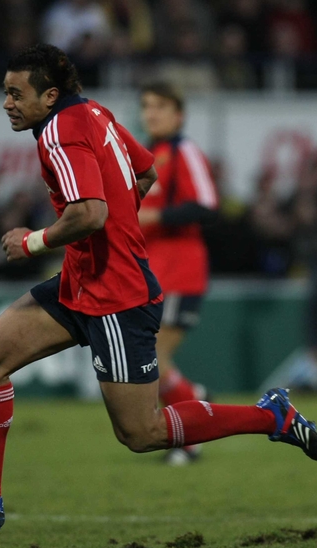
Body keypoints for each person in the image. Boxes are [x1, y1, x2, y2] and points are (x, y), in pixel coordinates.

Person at [0, 44, 317, 537]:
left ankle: (270, 417)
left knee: (141, 432)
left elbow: (90, 213)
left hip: (117, 294)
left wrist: (32, 241)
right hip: (80, 282)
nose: (7, 103)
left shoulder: (61, 132)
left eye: (16, 94)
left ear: (50, 96)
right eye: (5, 92)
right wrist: (119, 222)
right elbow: (146, 171)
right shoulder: (94, 112)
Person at [137, 82, 217, 465]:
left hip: (180, 271)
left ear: (179, 115)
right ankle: (193, 400)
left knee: (153, 355)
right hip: (149, 272)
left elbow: (206, 204)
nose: (151, 113)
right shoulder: (145, 156)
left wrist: (153, 215)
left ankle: (191, 437)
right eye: (147, 106)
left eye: (161, 106)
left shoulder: (185, 151)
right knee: (148, 358)